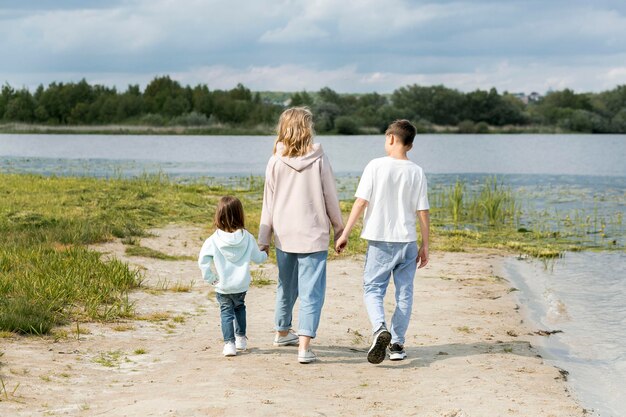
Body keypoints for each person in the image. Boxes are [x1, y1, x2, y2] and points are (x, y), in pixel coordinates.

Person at [335, 119, 430, 364]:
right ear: (410, 144)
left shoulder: (375, 166)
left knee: (373, 288)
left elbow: (361, 202)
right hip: (407, 241)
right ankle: (397, 344)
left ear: (390, 138)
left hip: (380, 240)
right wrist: (425, 245)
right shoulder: (417, 171)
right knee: (405, 293)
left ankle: (380, 330)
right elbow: (423, 211)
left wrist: (345, 233)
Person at [258, 107, 344, 364]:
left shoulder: (275, 160)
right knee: (311, 291)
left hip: (284, 235)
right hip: (313, 234)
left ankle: (282, 331)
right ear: (307, 129)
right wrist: (339, 228)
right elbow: (330, 196)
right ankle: (304, 347)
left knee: (286, 285)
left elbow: (268, 203)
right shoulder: (319, 158)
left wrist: (264, 238)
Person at [198, 196, 268, 357]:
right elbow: (258, 258)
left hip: (223, 285)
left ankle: (229, 344)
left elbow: (203, 261)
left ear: (219, 216)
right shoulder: (247, 238)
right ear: (240, 215)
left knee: (226, 313)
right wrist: (265, 253)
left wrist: (210, 277)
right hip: (241, 285)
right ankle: (241, 338)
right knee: (239, 308)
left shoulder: (213, 240)